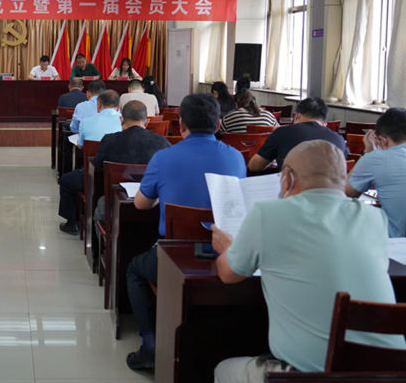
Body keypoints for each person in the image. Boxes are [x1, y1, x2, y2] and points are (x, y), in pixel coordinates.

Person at [212, 140, 405, 381]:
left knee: (224, 370)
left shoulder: (267, 213)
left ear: (287, 178)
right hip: (390, 373)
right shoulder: (374, 218)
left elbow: (229, 274)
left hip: (314, 375)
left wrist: (227, 248)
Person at [126, 93, 246, 371]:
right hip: (225, 254)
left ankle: (150, 345)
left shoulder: (164, 157)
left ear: (180, 124)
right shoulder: (236, 157)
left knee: (134, 269)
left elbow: (141, 204)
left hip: (175, 256)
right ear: (218, 124)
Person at [57, 90, 123, 235]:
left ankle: (72, 223)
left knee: (66, 181)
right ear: (119, 107)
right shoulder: (124, 123)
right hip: (121, 177)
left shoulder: (88, 122)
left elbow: (80, 145)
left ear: (98, 104)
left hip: (94, 175)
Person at [92, 101, 170, 222]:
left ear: (121, 120)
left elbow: (98, 168)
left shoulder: (109, 140)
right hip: (153, 207)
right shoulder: (162, 142)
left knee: (99, 212)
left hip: (115, 205)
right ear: (147, 121)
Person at [346, 108, 406, 237]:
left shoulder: (376, 158)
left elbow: (344, 195)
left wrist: (368, 153)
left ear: (382, 140)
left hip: (397, 244)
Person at [248, 97, 345, 172]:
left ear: (297, 116)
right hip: (330, 190)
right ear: (325, 123)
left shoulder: (282, 133)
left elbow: (254, 166)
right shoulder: (338, 139)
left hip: (293, 188)